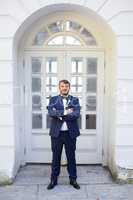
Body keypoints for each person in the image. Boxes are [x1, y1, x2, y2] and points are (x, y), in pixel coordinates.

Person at [47, 79, 81, 190]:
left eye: (66, 86)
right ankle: (53, 180)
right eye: (62, 86)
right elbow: (51, 113)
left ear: (69, 88)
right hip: (56, 134)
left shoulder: (75, 100)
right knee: (55, 157)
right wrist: (65, 112)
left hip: (70, 134)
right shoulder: (53, 99)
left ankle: (73, 179)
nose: (64, 88)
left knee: (71, 157)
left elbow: (76, 114)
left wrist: (59, 115)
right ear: (59, 87)